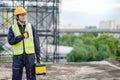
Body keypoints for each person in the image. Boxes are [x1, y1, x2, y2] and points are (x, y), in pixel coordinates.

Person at [8, 6, 40, 80]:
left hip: (30, 56)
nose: (24, 16)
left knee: (31, 77)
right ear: (17, 17)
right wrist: (22, 36)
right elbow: (11, 41)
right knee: (16, 77)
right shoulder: (12, 28)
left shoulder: (31, 27)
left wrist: (38, 56)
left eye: (24, 14)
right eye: (21, 15)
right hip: (18, 57)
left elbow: (36, 42)